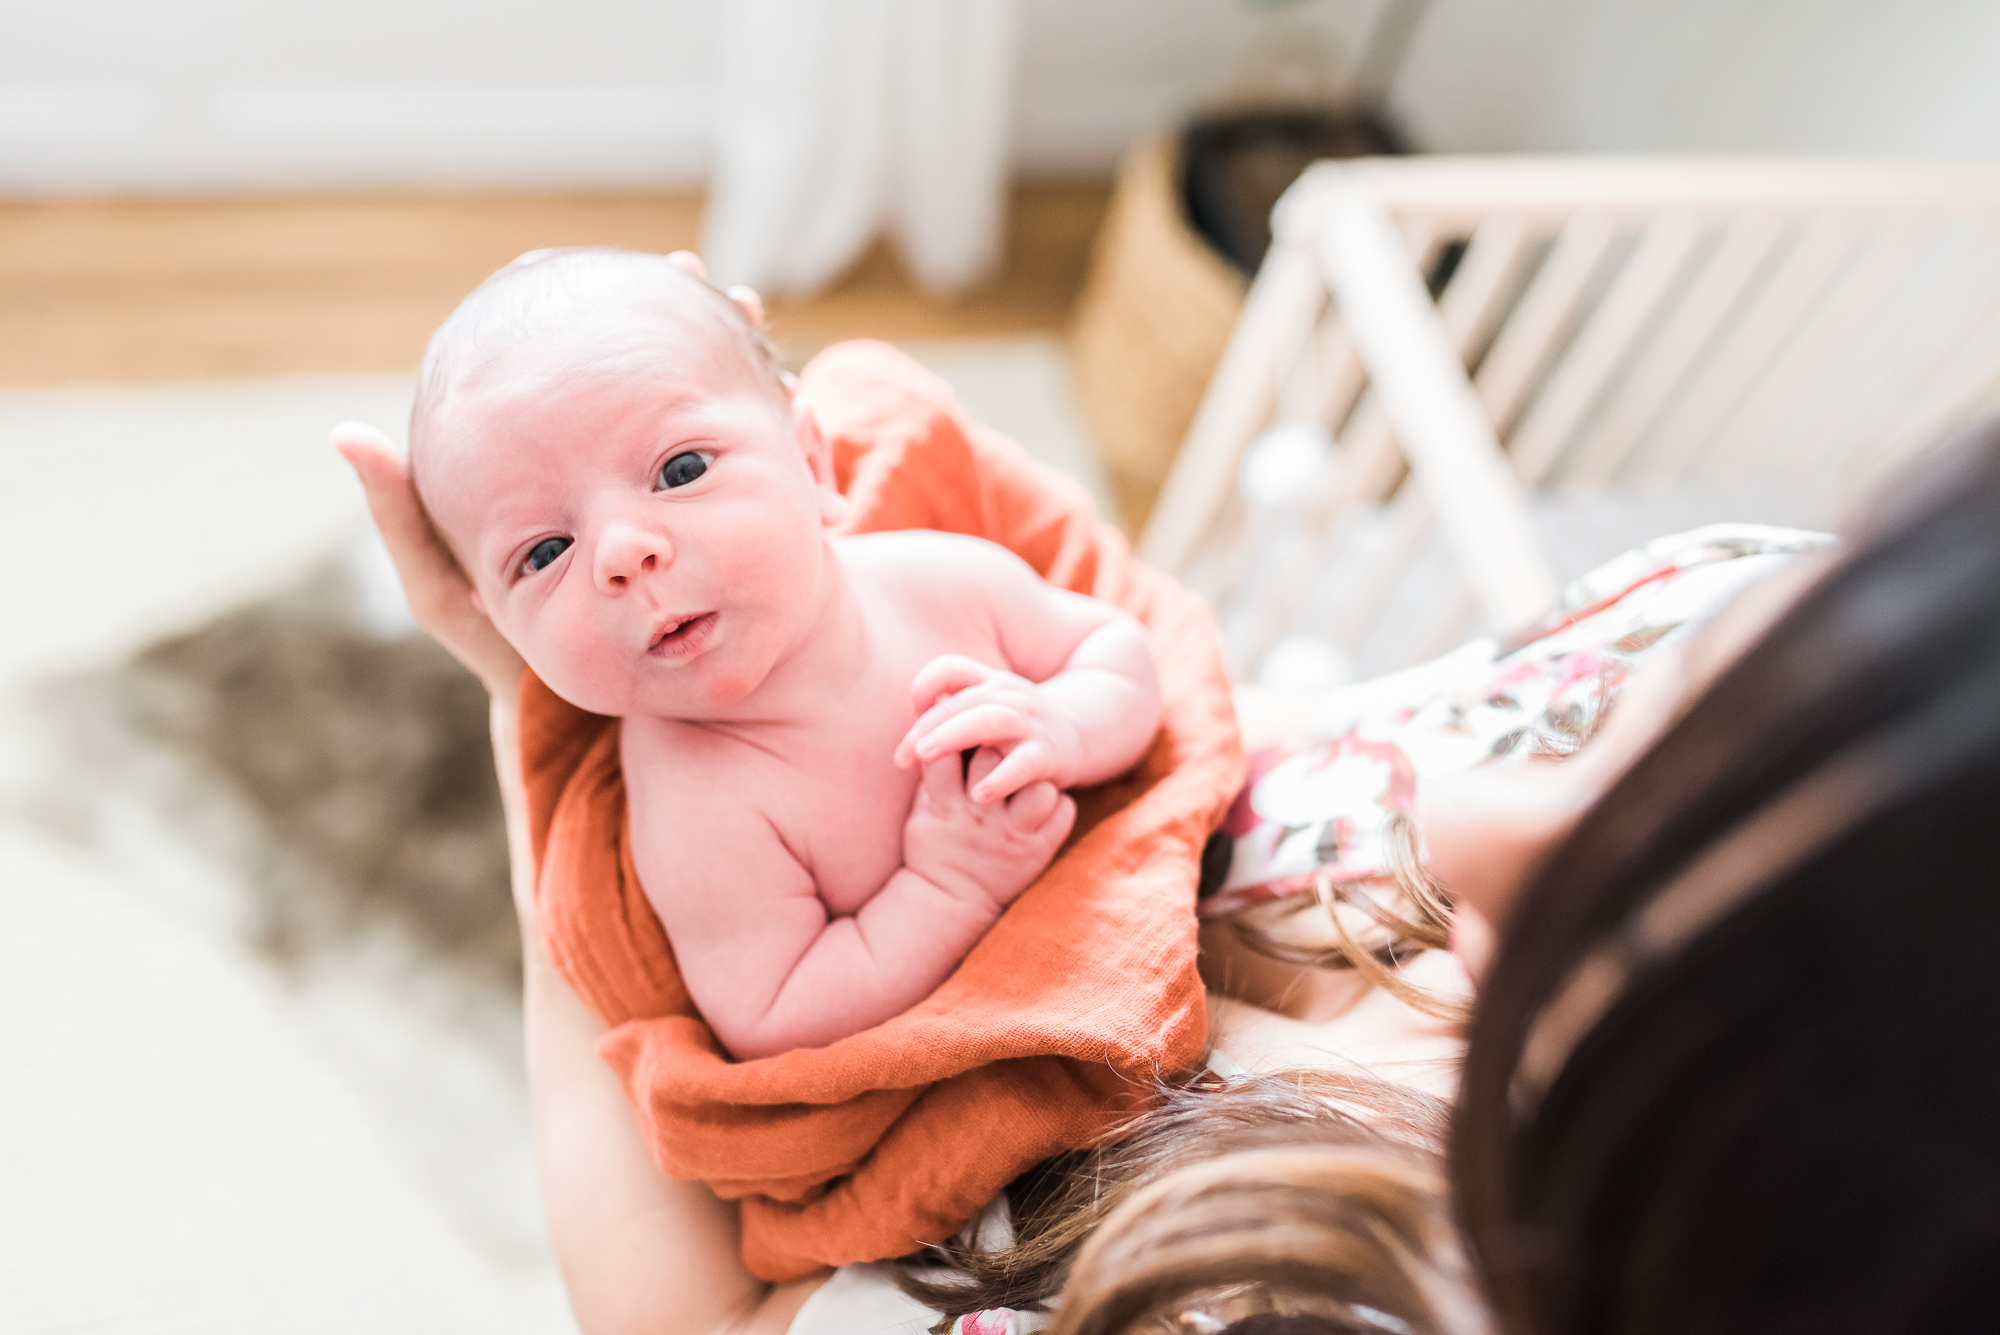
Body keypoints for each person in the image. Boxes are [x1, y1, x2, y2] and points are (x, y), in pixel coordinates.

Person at [391, 246, 1162, 1060]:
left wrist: (1064, 724)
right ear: (501, 626)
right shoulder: (698, 808)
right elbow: (772, 1011)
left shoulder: (942, 581)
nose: (623, 551)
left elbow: (1117, 650)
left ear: (812, 460)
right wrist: (947, 888)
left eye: (679, 469)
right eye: (544, 553)